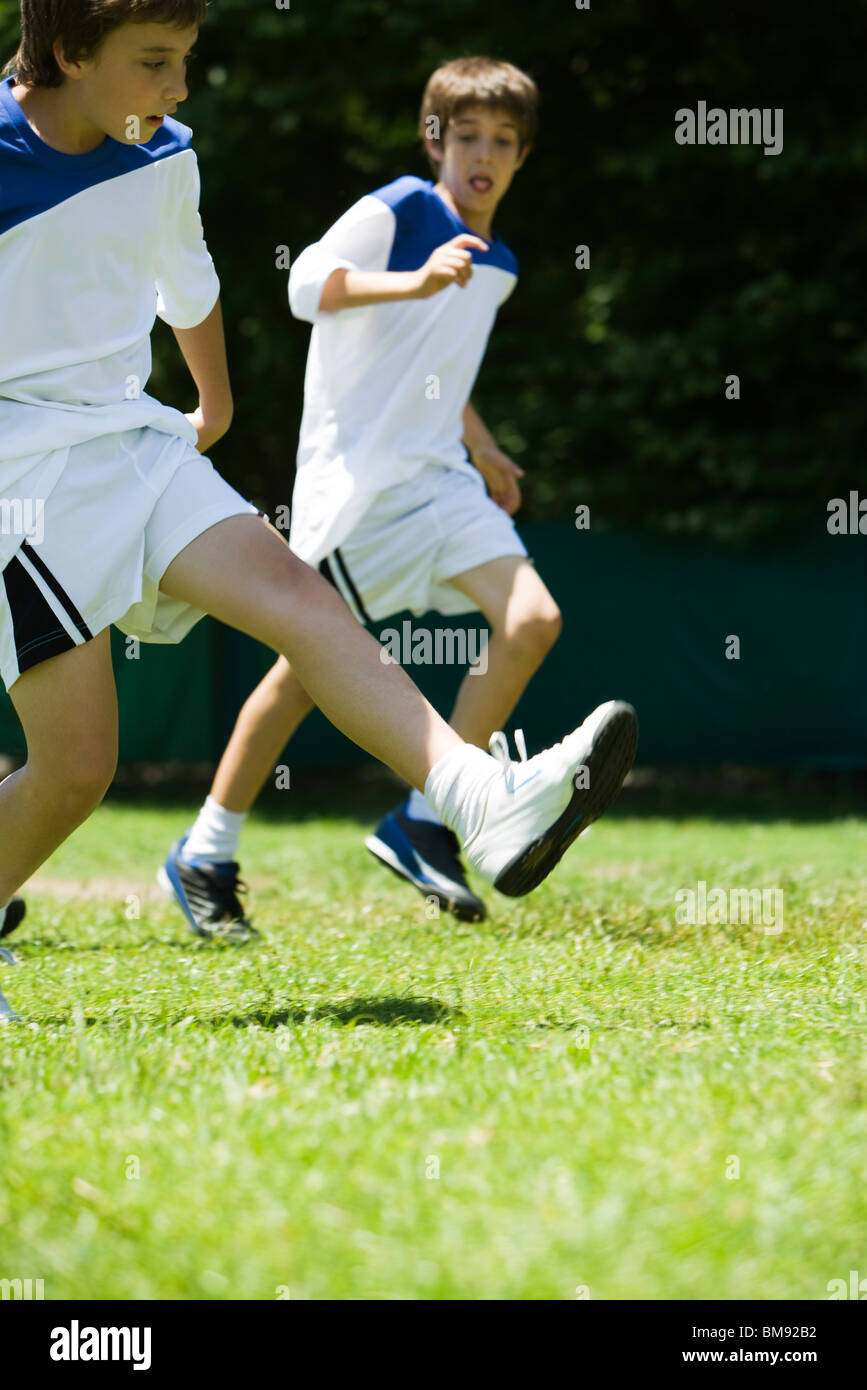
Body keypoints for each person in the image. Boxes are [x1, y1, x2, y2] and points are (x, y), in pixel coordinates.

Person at [0, 4, 638, 975]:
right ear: (71, 53)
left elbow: (193, 280)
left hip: (134, 441)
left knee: (304, 600)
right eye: (157, 63)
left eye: (188, 62)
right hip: (20, 476)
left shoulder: (163, 149)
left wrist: (212, 405)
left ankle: (476, 800)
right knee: (79, 769)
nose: (180, 89)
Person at [162, 55, 616, 939]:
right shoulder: (404, 207)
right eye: (469, 136)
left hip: (440, 482)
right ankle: (205, 850)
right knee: (300, 676)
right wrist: (413, 278)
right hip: (358, 488)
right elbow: (303, 287)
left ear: (523, 157)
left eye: (504, 142)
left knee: (531, 620)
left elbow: (442, 367)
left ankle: (424, 819)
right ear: (436, 140)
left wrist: (482, 447)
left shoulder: (500, 262)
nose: (484, 155)